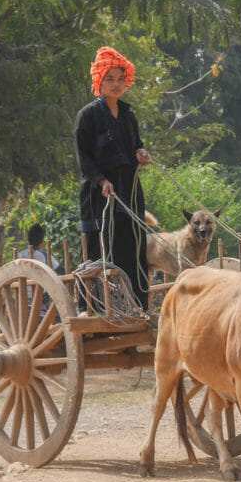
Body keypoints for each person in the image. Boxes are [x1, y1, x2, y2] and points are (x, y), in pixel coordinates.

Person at [74, 46, 153, 307]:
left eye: (121, 79)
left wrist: (140, 154)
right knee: (101, 252)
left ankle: (139, 308)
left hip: (128, 192)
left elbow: (136, 146)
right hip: (101, 196)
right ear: (99, 80)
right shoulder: (87, 116)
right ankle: (97, 309)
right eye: (110, 79)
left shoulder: (128, 115)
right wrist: (101, 181)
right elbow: (84, 158)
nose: (116, 84)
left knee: (134, 250)